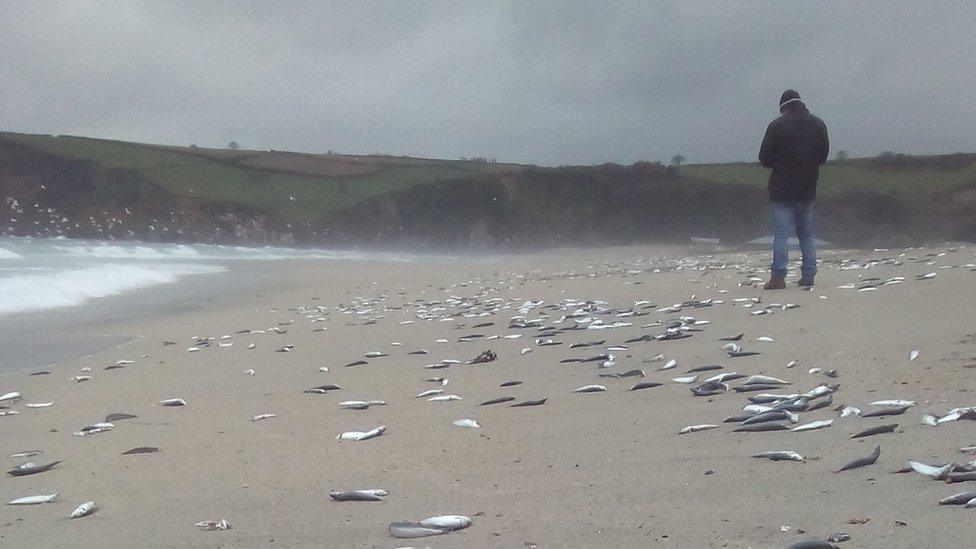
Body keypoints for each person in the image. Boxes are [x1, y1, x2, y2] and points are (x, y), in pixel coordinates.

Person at [758, 89, 829, 289]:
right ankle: (808, 275)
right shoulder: (818, 124)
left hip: (781, 189)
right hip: (807, 187)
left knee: (781, 233)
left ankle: (778, 276)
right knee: (805, 232)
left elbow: (764, 159)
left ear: (783, 107)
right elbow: (822, 157)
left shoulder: (776, 126)